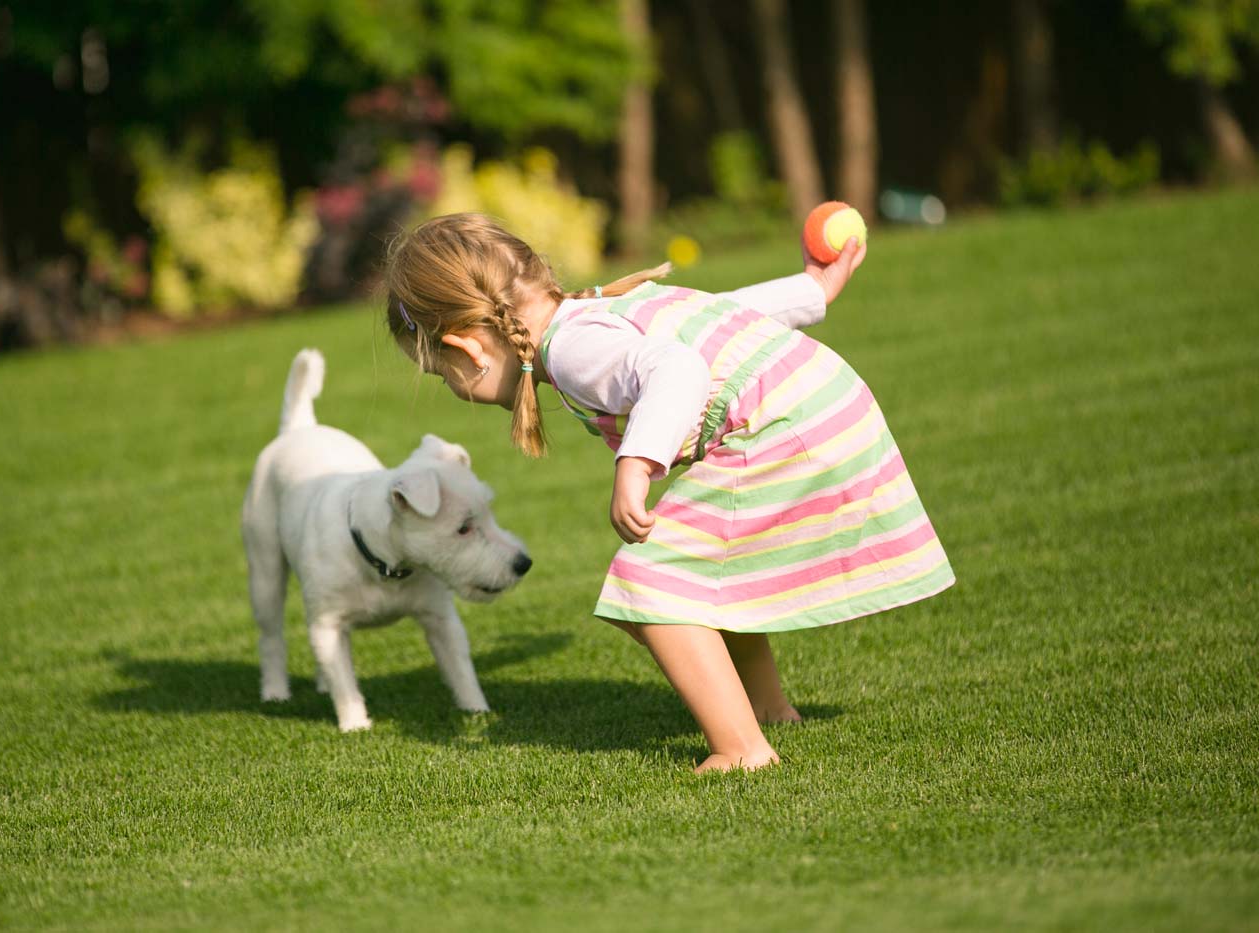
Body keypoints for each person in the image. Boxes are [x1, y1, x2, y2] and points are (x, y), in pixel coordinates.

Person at [382, 212, 954, 773]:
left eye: (442, 375)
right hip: (823, 405)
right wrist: (811, 291)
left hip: (784, 428)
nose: (453, 388)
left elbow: (678, 367)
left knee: (652, 584)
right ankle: (768, 709)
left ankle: (742, 749)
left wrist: (637, 461)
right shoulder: (597, 309)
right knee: (703, 570)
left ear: (467, 349)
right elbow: (720, 315)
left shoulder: (573, 349)